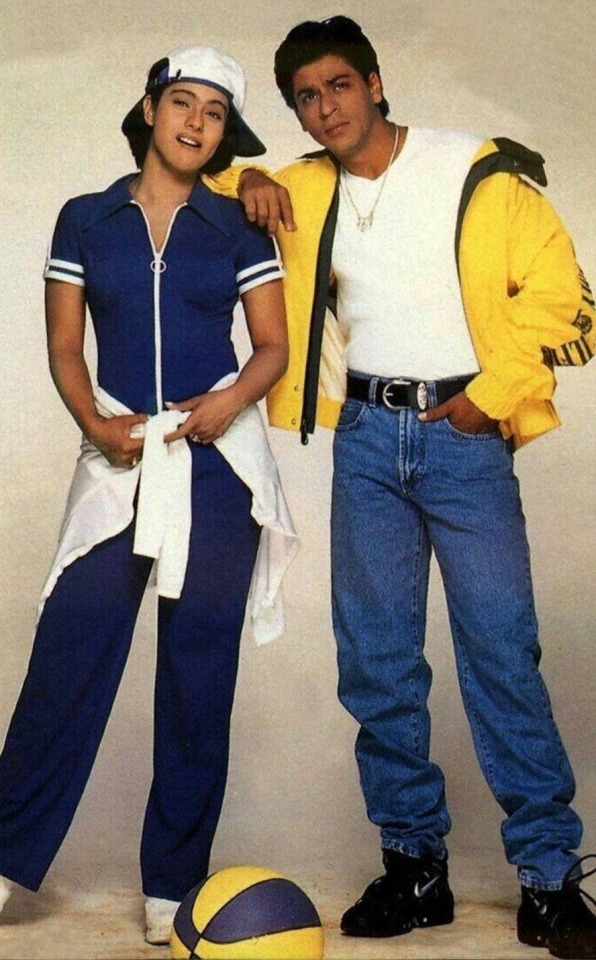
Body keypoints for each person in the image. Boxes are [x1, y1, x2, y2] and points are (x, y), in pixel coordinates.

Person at [209, 15, 596, 959]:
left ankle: (549, 880)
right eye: (306, 97)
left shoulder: (477, 172)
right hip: (367, 442)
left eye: (338, 85)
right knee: (377, 661)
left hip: (464, 435)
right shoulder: (302, 186)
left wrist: (488, 400)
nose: (324, 108)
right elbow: (198, 169)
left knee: (501, 653)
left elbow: (565, 297)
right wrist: (249, 175)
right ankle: (414, 867)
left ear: (375, 84)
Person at [0, 44, 298, 945]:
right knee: (70, 653)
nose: (195, 122)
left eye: (214, 112)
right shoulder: (85, 219)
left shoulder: (238, 225)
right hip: (123, 453)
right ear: (149, 108)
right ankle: (5, 858)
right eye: (182, 102)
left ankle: (174, 883)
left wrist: (226, 405)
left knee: (199, 673)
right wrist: (95, 422)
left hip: (217, 465)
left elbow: (273, 348)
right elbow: (64, 345)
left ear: (224, 132)